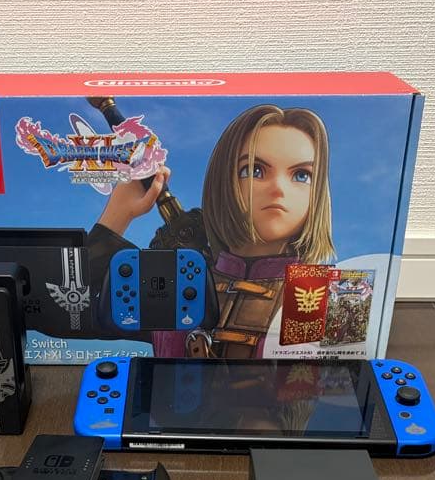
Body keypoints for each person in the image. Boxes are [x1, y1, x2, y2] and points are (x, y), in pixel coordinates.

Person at [88, 104, 335, 358]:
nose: (279, 188)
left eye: (302, 175)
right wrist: (118, 212)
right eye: (254, 170)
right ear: (223, 181)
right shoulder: (179, 284)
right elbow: (75, 311)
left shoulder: (316, 292)